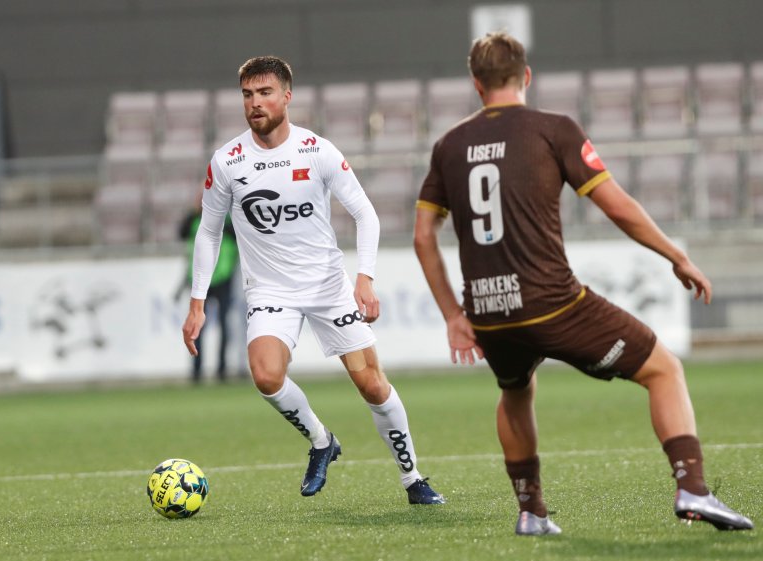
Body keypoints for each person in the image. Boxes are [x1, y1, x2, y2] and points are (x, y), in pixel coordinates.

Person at [413, 32, 753, 535]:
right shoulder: (554, 129)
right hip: (551, 303)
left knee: (515, 390)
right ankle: (694, 489)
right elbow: (616, 205)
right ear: (525, 76)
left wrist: (453, 316)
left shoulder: (449, 145)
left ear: (476, 84)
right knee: (664, 370)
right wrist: (676, 255)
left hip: (487, 311)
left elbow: (423, 236)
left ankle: (531, 512)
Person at [182, 56, 444, 504]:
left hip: (328, 289)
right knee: (266, 376)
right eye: (247, 95)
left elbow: (366, 214)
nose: (255, 104)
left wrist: (365, 278)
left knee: (373, 386)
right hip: (270, 292)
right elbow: (208, 231)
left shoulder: (316, 150)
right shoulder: (227, 160)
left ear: (287, 96)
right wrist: (196, 301)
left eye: (264, 93)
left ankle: (413, 478)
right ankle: (323, 441)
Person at [176, 196, 239, 383]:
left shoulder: (228, 221)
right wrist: (194, 211)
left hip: (223, 277)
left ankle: (222, 369)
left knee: (223, 325)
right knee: (197, 327)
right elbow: (181, 232)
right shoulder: (194, 220)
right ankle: (197, 370)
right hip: (199, 280)